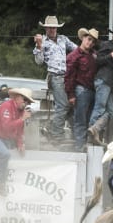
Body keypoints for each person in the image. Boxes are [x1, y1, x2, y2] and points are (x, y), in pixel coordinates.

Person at [33, 15, 78, 144]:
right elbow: (39, 61)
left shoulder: (63, 39)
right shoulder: (43, 41)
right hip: (55, 76)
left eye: (54, 27)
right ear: (46, 28)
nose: (52, 30)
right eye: (49, 28)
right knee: (63, 105)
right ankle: (57, 134)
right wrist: (39, 45)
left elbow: (76, 50)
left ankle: (51, 127)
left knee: (70, 104)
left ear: (57, 28)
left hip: (67, 76)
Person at [0, 88, 34, 196]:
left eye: (28, 101)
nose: (26, 103)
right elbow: (6, 127)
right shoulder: (7, 106)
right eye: (24, 99)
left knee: (11, 152)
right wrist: (22, 119)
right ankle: (0, 184)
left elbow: (19, 130)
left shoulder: (20, 111)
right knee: (5, 154)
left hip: (3, 138)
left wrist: (20, 143)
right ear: (17, 98)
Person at [64, 27, 99, 152]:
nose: (90, 43)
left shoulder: (94, 55)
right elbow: (68, 77)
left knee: (90, 120)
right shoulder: (73, 56)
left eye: (93, 41)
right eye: (88, 39)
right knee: (80, 121)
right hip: (81, 90)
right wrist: (71, 95)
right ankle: (79, 149)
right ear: (83, 38)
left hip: (92, 91)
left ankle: (86, 147)